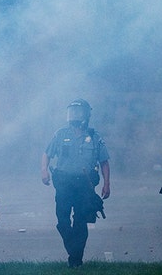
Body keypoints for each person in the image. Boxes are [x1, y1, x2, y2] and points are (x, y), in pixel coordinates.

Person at [41, 99, 111, 268]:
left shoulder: (94, 137)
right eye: (72, 112)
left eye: (78, 112)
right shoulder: (60, 134)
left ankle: (75, 260)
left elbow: (104, 162)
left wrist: (107, 183)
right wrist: (44, 170)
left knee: (80, 220)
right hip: (64, 182)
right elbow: (47, 153)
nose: (74, 115)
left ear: (86, 115)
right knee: (62, 220)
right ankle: (74, 248)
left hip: (85, 185)